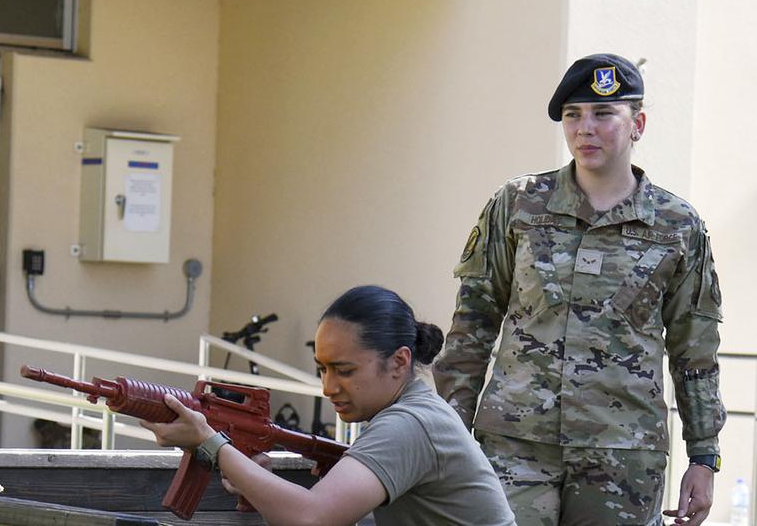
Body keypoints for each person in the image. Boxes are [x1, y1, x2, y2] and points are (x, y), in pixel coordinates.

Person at [432, 53, 725, 526]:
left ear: (638, 124)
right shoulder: (519, 205)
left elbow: (696, 352)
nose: (585, 128)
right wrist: (449, 435)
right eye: (573, 115)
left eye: (603, 113)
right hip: (514, 445)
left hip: (623, 451)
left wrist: (704, 457)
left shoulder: (678, 226)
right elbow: (472, 326)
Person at [145, 285, 516, 526]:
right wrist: (252, 477)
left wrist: (211, 443)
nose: (328, 387)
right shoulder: (413, 412)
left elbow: (312, 519)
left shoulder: (409, 424)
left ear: (400, 362)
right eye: (322, 369)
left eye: (344, 370)